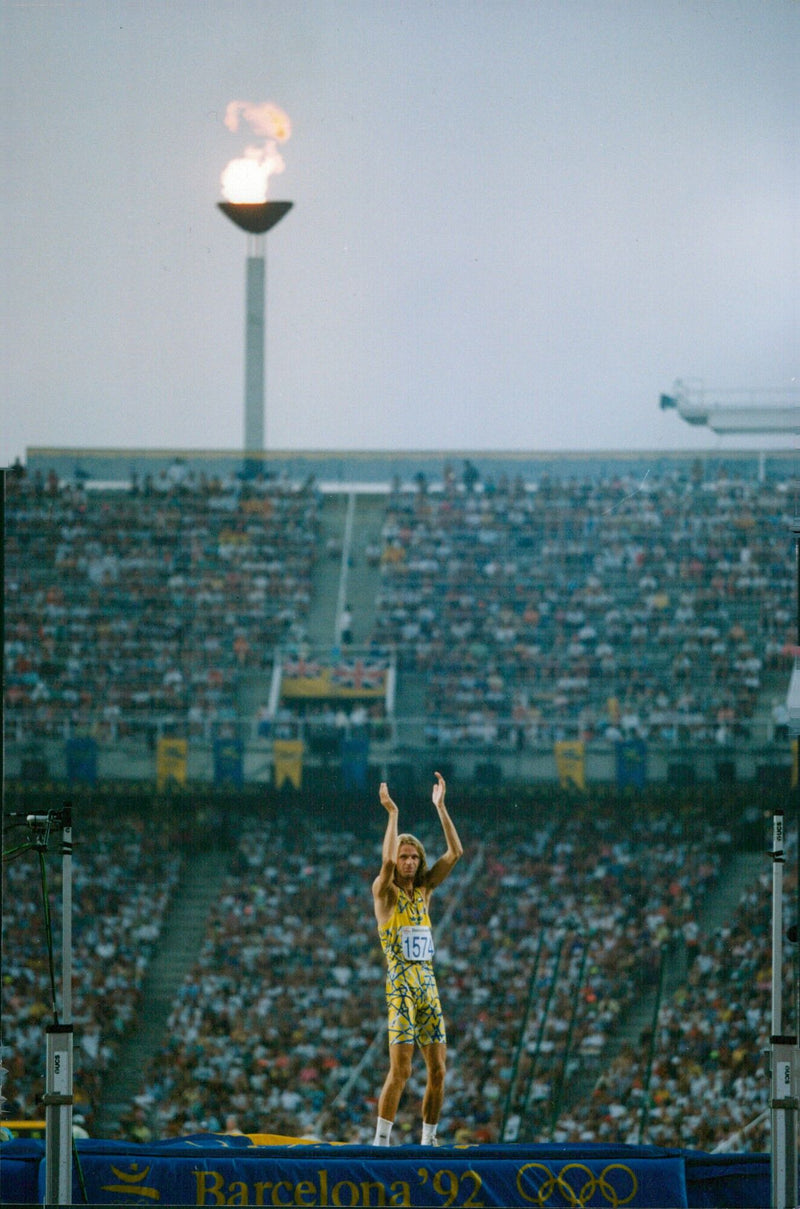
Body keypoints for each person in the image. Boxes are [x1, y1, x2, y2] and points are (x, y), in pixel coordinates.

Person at [372, 771, 463, 1146]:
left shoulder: (423, 892)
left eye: (414, 857)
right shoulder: (385, 894)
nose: (408, 862)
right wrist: (392, 815)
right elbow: (387, 867)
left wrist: (441, 808)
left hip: (428, 985)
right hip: (401, 988)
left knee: (438, 1069)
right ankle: (381, 1141)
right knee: (402, 1070)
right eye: (403, 856)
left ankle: (429, 1139)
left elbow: (455, 853)